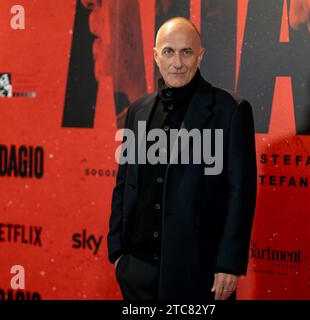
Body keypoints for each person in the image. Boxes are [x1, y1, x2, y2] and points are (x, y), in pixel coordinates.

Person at [108, 17, 257, 300]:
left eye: (186, 52)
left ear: (199, 56)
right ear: (155, 56)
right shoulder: (138, 110)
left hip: (198, 272)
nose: (177, 62)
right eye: (168, 51)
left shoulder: (230, 110)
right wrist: (118, 252)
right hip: (137, 271)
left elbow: (241, 194)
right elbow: (124, 181)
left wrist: (229, 263)